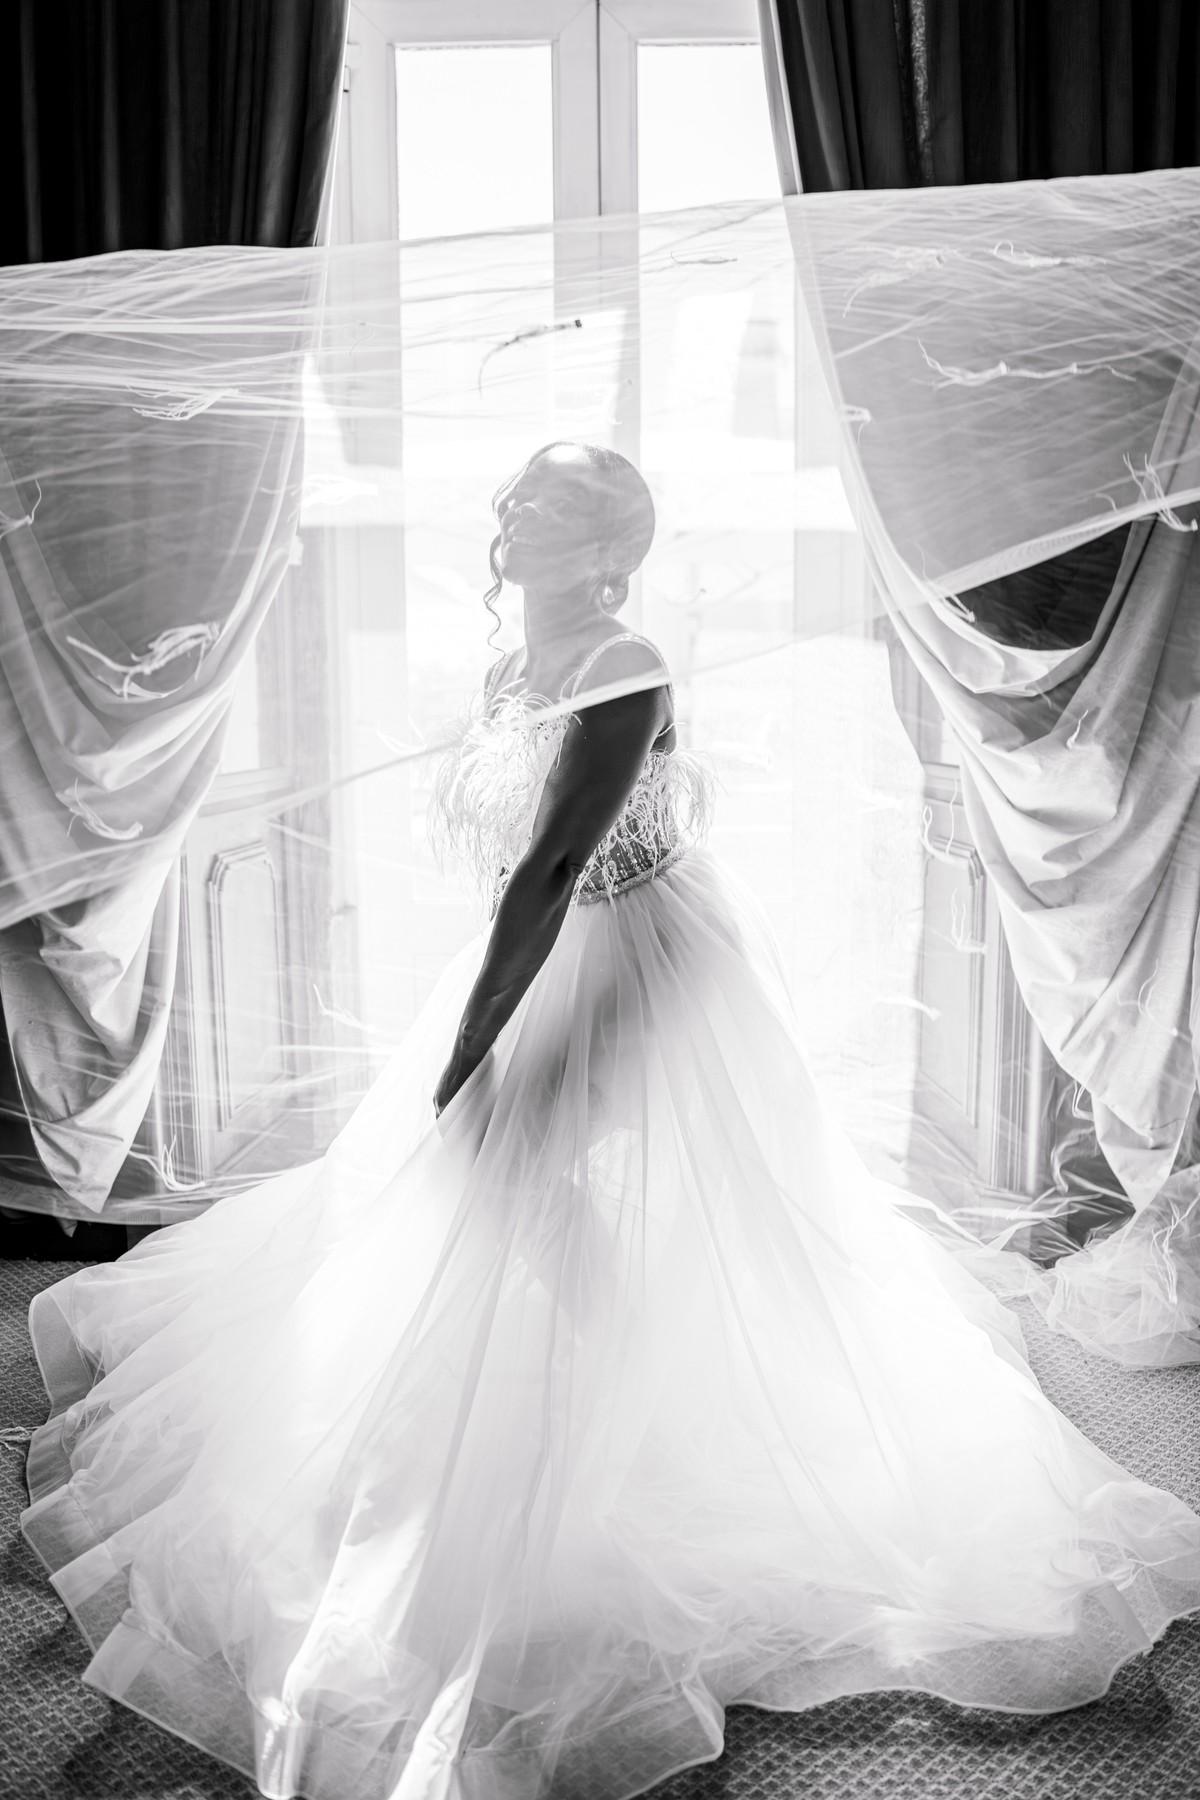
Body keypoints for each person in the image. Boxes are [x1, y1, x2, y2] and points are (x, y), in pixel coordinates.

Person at [21, 442, 1200, 1800]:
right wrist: (478, 1014)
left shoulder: (626, 665)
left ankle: (637, 1421)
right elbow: (510, 873)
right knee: (476, 1187)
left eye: (556, 502)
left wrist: (473, 1042)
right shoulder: (510, 664)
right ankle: (595, 1377)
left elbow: (557, 863)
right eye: (520, 492)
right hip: (541, 946)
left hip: (642, 957)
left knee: (511, 1161)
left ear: (608, 546)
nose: (517, 510)